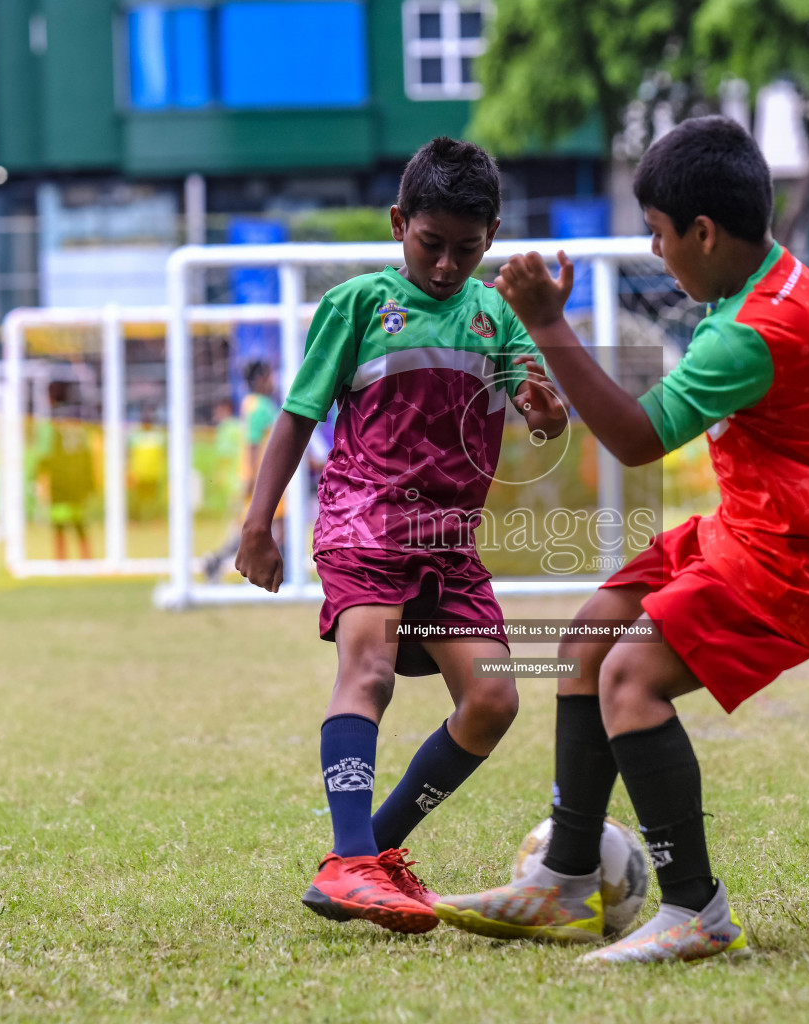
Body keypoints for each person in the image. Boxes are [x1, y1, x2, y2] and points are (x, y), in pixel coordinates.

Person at [432, 116, 809, 963]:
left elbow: (637, 438)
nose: (657, 250)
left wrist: (546, 322)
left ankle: (695, 909)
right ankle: (565, 884)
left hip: (805, 555)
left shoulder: (751, 331)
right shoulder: (776, 286)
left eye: (659, 234)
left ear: (704, 233)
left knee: (630, 676)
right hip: (756, 524)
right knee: (587, 640)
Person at [233, 137, 568, 933]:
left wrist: (547, 411)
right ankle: (354, 860)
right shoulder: (354, 305)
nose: (448, 265)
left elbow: (537, 399)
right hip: (365, 523)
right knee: (369, 668)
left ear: (490, 237)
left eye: (466, 247)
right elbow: (298, 416)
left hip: (451, 543)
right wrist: (259, 522)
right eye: (431, 244)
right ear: (398, 224)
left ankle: (365, 856)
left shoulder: (497, 315)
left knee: (491, 701)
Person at [201, 360, 279, 582]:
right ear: (260, 379)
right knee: (253, 528)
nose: (273, 380)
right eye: (269, 375)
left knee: (264, 526)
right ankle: (217, 561)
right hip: (260, 477)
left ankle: (221, 562)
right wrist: (253, 477)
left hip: (259, 476)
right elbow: (254, 444)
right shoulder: (259, 406)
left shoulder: (252, 403)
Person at [34, 383, 97, 561]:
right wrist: (89, 480)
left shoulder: (51, 422)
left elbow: (45, 453)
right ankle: (87, 559)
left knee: (59, 524)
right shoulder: (78, 421)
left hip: (60, 479)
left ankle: (61, 560)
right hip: (77, 479)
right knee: (79, 523)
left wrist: (39, 475)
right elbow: (86, 452)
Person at [128, 408, 166, 521]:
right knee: (137, 499)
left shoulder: (158, 437)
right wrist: (130, 471)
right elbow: (130, 455)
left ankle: (155, 518)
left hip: (153, 473)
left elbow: (163, 455)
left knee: (153, 499)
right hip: (139, 473)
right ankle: (135, 519)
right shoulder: (135, 436)